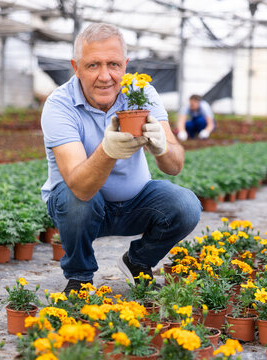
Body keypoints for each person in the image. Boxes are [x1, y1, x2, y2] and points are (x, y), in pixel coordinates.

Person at [40, 23, 202, 293]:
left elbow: (175, 166)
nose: (105, 76)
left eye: (113, 64)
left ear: (125, 65)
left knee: (185, 205)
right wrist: (108, 151)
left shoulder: (141, 93)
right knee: (75, 200)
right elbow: (79, 186)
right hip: (82, 207)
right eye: (93, 65)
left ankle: (138, 261)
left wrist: (162, 147)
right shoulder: (60, 105)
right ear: (75, 67)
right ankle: (79, 277)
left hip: (135, 204)